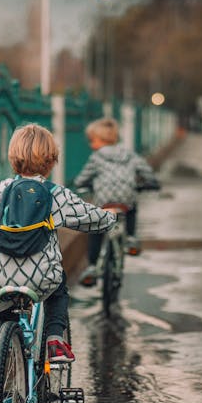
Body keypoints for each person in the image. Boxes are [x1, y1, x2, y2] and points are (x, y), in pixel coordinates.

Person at [0, 123, 116, 386]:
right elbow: (91, 219)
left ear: (13, 157)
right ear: (51, 160)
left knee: (8, 316)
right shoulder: (56, 194)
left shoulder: (0, 190)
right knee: (59, 290)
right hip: (41, 275)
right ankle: (55, 339)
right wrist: (110, 218)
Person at [73, 117, 158, 286]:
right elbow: (146, 172)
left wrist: (83, 185)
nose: (91, 144)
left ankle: (92, 266)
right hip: (125, 200)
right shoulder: (130, 154)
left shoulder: (96, 158)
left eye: (92, 140)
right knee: (132, 207)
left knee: (96, 227)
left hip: (104, 202)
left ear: (101, 140)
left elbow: (80, 180)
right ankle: (132, 237)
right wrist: (151, 183)